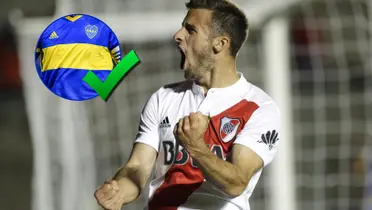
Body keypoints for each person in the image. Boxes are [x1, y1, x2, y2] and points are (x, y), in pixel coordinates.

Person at [94, 0, 281, 209]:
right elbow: (137, 166)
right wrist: (119, 190)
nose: (178, 35)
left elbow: (237, 182)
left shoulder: (259, 108)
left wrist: (196, 146)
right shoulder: (163, 98)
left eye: (190, 30)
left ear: (220, 43)